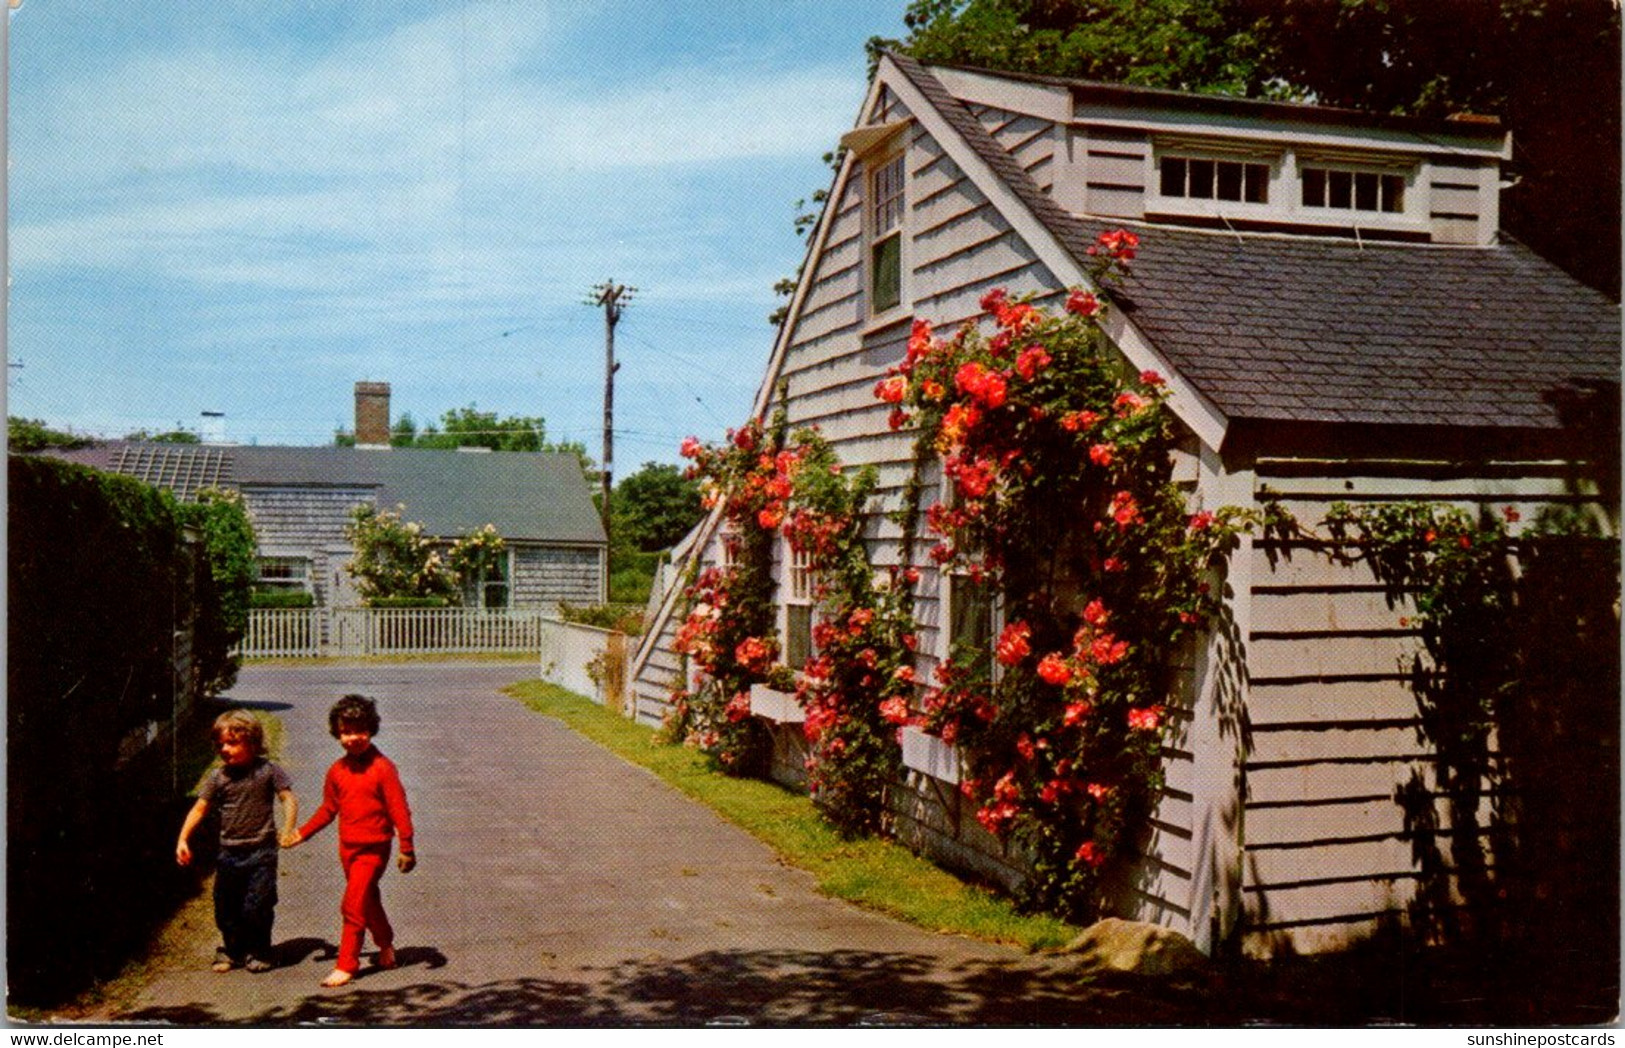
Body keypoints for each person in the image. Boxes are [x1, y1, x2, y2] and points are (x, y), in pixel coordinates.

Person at [284, 694, 416, 988]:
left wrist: (406, 847)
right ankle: (386, 946)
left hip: (374, 849)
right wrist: (302, 833)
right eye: (345, 732)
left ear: (371, 730)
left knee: (352, 904)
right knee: (367, 900)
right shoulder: (337, 771)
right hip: (348, 848)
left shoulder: (383, 768)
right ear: (336, 733)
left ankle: (347, 964)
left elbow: (399, 809)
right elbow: (329, 809)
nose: (353, 738)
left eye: (360, 731)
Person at [176, 709, 299, 974]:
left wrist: (288, 830)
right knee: (225, 907)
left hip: (262, 853)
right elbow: (199, 809)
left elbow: (288, 799)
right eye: (220, 744)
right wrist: (183, 839)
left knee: (258, 905)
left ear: (253, 742)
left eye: (232, 743)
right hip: (229, 854)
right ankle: (233, 950)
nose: (224, 749)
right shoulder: (218, 778)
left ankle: (260, 951)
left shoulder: (268, 771)